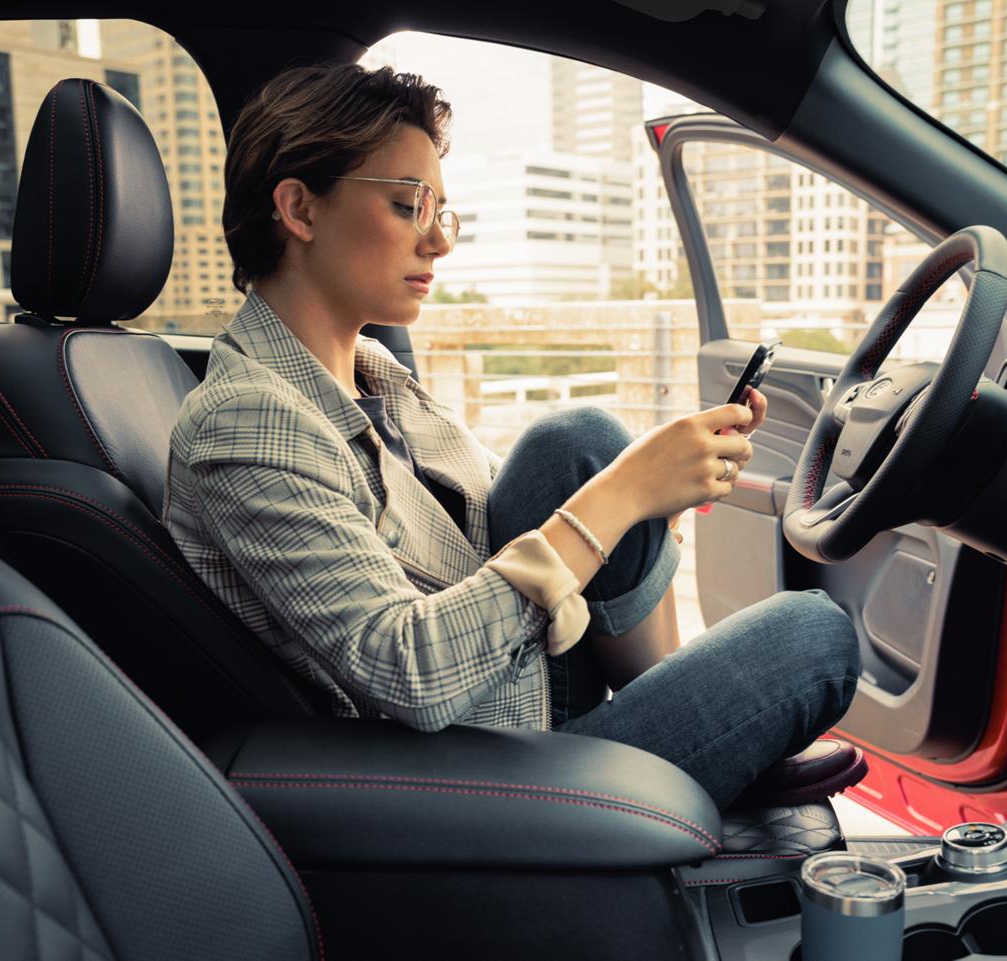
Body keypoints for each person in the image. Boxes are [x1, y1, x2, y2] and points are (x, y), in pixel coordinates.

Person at [164, 62, 860, 809]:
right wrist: (625, 495)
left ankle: (680, 736)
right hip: (467, 772)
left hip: (511, 687)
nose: (439, 243)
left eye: (441, 212)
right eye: (407, 206)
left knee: (579, 439)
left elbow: (529, 509)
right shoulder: (245, 422)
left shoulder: (372, 374)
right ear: (299, 209)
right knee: (812, 634)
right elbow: (408, 671)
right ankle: (685, 758)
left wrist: (656, 483)